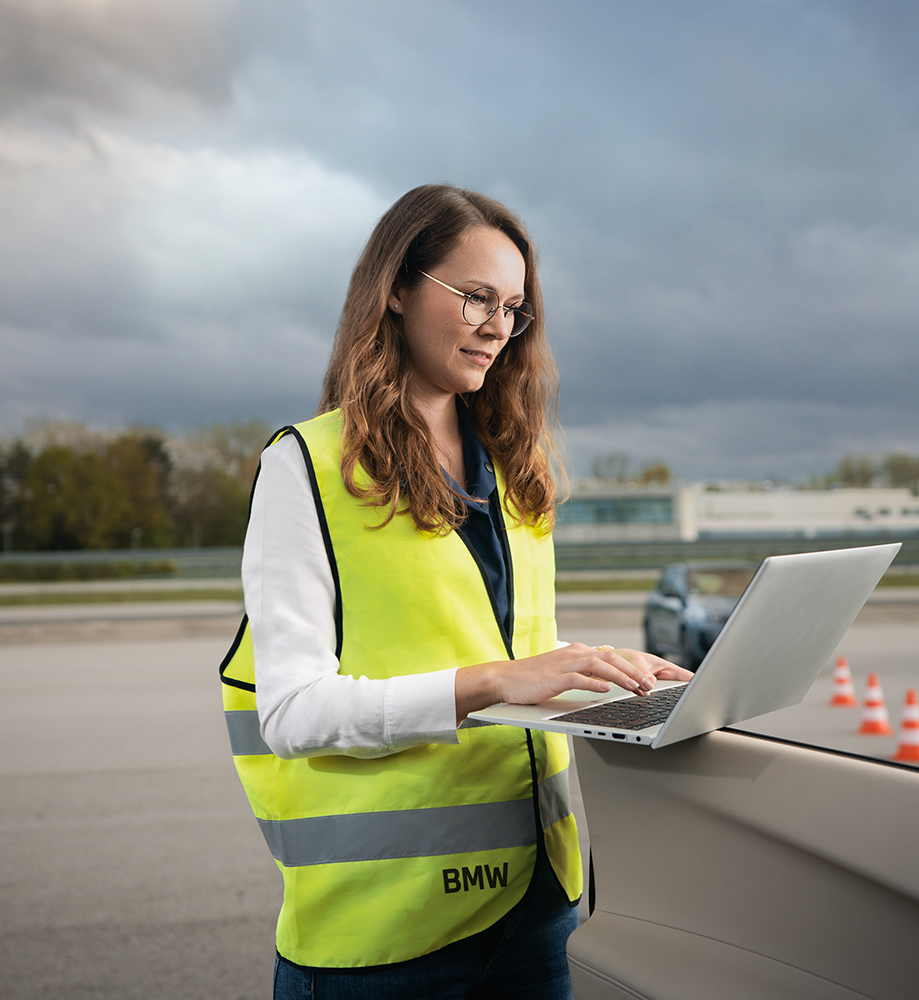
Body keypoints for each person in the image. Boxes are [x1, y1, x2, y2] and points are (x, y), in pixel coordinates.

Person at [220, 184, 692, 999]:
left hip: (538, 904)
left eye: (514, 308)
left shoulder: (514, 466)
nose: (497, 326)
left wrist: (604, 672)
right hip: (386, 936)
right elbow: (291, 713)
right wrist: (488, 684)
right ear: (397, 288)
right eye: (475, 297)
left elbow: (506, 651)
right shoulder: (305, 467)